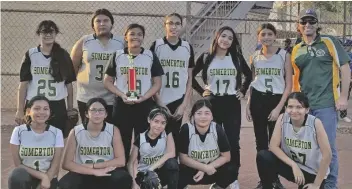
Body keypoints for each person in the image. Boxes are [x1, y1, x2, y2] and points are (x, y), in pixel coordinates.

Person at [291, 9, 351, 188]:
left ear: (317, 24)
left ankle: (330, 185)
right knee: (308, 146)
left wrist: (343, 97)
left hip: (326, 103)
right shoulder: (296, 49)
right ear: (298, 26)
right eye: (304, 22)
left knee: (328, 147)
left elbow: (345, 69)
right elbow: (296, 79)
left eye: (312, 21)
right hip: (304, 106)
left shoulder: (329, 42)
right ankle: (313, 182)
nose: (308, 25)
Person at [192, 26, 252, 188]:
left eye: (230, 38)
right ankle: (219, 179)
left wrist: (243, 90)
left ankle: (232, 179)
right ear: (217, 37)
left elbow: (249, 74)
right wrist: (201, 91)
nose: (226, 40)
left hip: (231, 102)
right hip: (212, 103)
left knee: (233, 141)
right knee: (214, 141)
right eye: (223, 36)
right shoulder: (206, 57)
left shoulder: (236, 58)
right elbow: (190, 75)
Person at [104, 23, 164, 160]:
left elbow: (157, 83)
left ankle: (140, 172)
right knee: (121, 140)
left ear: (143, 38)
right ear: (125, 37)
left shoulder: (150, 55)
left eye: (139, 34)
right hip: (122, 103)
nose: (135, 37)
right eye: (132, 34)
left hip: (144, 104)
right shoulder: (118, 55)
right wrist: (121, 94)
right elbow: (107, 81)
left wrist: (145, 97)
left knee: (142, 140)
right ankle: (122, 173)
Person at [246, 23, 292, 188]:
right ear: (259, 37)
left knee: (276, 142)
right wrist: (248, 104)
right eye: (263, 34)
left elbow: (288, 85)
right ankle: (264, 180)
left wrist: (279, 107)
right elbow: (253, 82)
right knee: (261, 142)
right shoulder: (255, 56)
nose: (266, 37)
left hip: (276, 100)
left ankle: (275, 179)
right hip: (258, 99)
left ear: (275, 35)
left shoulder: (284, 55)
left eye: (269, 34)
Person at [256, 92, 332, 189]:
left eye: (299, 107)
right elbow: (273, 146)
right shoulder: (283, 118)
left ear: (307, 110)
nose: (294, 111)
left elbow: (327, 155)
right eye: (290, 107)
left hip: (312, 173)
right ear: (286, 108)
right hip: (292, 166)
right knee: (264, 156)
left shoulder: (315, 123)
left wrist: (316, 184)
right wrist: (293, 165)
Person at [15, 20, 76, 134]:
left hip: (57, 103)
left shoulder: (63, 55)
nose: (48, 35)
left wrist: (70, 108)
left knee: (57, 138)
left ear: (56, 33)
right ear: (39, 34)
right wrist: (19, 109)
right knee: (33, 136)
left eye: (51, 32)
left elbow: (68, 84)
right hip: (34, 103)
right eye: (44, 32)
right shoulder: (31, 54)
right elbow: (23, 85)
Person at [59, 98, 132, 189]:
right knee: (66, 184)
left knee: (124, 179)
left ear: (106, 114)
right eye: (93, 110)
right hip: (83, 172)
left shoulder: (113, 130)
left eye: (101, 110)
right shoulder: (76, 131)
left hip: (106, 171)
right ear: (86, 114)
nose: (97, 113)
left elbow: (121, 161)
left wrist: (95, 166)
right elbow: (66, 164)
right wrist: (93, 171)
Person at [150, 13, 195, 154]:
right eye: (170, 23)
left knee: (174, 138)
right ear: (165, 26)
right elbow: (151, 77)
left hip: (178, 100)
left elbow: (189, 79)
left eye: (177, 23)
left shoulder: (187, 47)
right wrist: (159, 102)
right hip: (160, 98)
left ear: (181, 26)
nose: (174, 26)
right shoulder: (156, 45)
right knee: (156, 137)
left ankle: (172, 171)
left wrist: (184, 105)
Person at [71, 9, 125, 123]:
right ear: (93, 25)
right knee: (89, 132)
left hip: (112, 97)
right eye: (98, 21)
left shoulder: (121, 42)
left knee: (110, 132)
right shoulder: (84, 41)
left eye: (106, 20)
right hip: (87, 96)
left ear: (111, 24)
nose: (102, 24)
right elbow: (73, 68)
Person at [178, 99, 237, 189]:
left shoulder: (217, 129)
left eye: (207, 113)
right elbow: (183, 158)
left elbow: (226, 156)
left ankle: (217, 186)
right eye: (199, 113)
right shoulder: (186, 129)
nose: (203, 117)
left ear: (212, 116)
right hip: (192, 171)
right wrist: (203, 168)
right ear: (193, 116)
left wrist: (207, 168)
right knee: (173, 169)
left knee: (232, 169)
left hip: (212, 170)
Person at [9, 95, 64, 189]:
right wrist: (42, 176)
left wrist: (46, 179)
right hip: (26, 178)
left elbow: (55, 165)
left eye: (45, 109)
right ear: (28, 111)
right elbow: (18, 165)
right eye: (37, 109)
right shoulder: (18, 131)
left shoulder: (56, 132)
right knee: (16, 175)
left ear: (50, 112)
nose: (42, 112)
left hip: (48, 179)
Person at [128, 107, 178, 189]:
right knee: (150, 181)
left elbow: (172, 153)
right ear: (149, 120)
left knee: (172, 163)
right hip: (143, 174)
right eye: (156, 121)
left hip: (158, 170)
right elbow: (131, 163)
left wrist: (151, 168)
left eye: (163, 123)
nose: (159, 126)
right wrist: (134, 183)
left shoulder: (166, 133)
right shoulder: (140, 138)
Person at [339, 42, 352, 123]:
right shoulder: (339, 54)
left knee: (345, 96)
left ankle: (343, 115)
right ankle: (341, 115)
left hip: (349, 77)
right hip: (340, 78)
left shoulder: (349, 54)